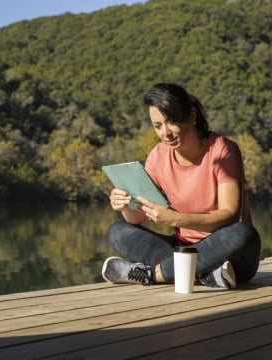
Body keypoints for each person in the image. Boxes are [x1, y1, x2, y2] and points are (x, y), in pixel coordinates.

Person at [102, 83, 261, 289]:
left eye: (171, 122)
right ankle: (205, 276)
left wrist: (175, 218)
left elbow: (230, 214)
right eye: (158, 126)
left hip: (227, 253)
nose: (165, 133)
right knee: (118, 230)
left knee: (243, 234)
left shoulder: (223, 151)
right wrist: (125, 206)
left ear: (192, 116)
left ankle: (153, 274)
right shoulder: (158, 157)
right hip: (181, 249)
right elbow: (138, 217)